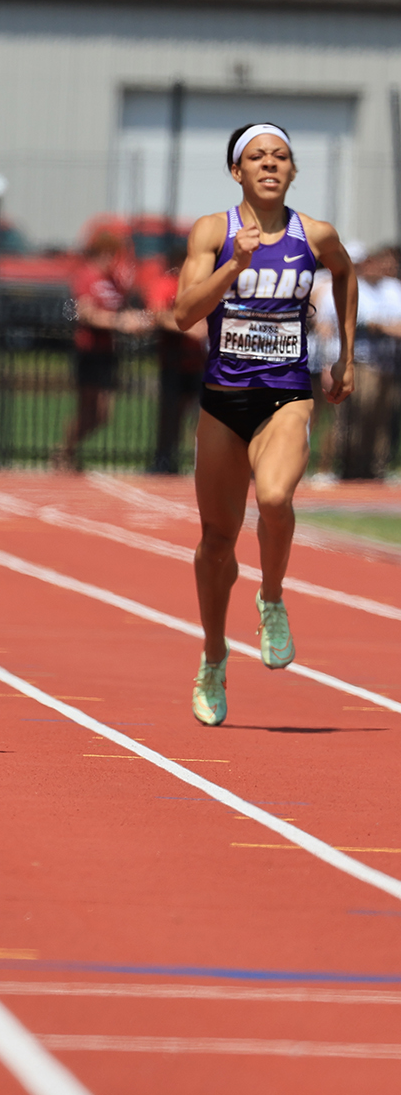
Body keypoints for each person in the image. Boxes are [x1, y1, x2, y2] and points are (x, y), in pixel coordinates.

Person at [174, 122, 357, 726]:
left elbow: (345, 274)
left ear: (294, 171)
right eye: (257, 157)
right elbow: (183, 314)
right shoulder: (212, 231)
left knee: (275, 498)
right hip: (223, 401)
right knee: (216, 542)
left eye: (281, 156)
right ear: (237, 172)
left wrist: (345, 357)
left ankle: (272, 597)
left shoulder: (316, 235)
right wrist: (235, 267)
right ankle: (214, 653)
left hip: (287, 394)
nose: (270, 164)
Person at [54, 229, 151, 470]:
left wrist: (137, 321)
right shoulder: (87, 277)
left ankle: (66, 452)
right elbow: (86, 313)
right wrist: (118, 322)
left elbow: (123, 308)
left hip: (108, 351)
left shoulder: (114, 280)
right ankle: (63, 454)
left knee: (102, 414)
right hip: (89, 350)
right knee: (89, 408)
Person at [143, 244, 208, 474]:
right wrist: (186, 327)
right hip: (173, 359)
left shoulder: (201, 287)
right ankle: (163, 458)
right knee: (171, 413)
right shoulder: (166, 285)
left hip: (199, 360)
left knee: (203, 415)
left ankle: (200, 460)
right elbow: (158, 315)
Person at [341, 245, 401, 479]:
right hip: (364, 362)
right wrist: (387, 327)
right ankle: (352, 467)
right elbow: (366, 322)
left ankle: (377, 468)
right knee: (360, 416)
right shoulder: (355, 288)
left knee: (383, 418)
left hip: (389, 363)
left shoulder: (393, 288)